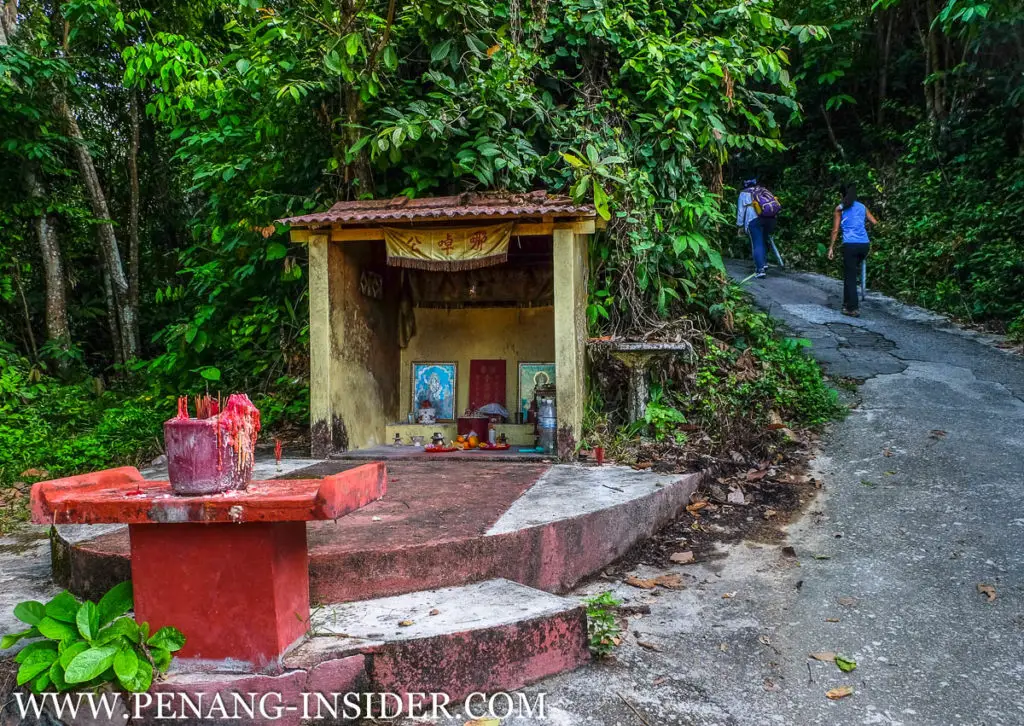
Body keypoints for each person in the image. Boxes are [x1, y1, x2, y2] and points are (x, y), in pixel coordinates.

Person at [828, 183, 879, 317]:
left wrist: (831, 248)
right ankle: (846, 303)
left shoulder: (840, 209)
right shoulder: (862, 207)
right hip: (864, 245)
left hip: (850, 245)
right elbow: (875, 222)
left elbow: (835, 230)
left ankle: (852, 308)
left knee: (850, 276)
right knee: (851, 273)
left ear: (841, 195)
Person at [736, 178, 778, 278]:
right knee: (764, 240)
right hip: (770, 219)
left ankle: (760, 270)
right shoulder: (763, 190)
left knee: (757, 243)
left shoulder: (743, 194)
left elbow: (741, 212)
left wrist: (739, 225)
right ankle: (764, 262)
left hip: (754, 220)